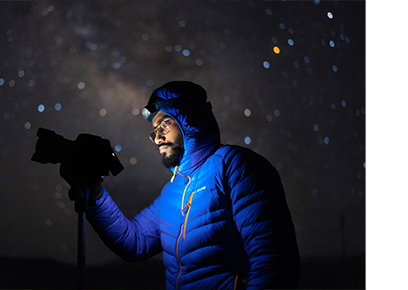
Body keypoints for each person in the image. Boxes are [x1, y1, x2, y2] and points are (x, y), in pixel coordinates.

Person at [64, 81, 300, 290]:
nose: (157, 138)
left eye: (165, 125)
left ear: (188, 120)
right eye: (154, 131)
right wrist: (96, 196)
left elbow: (273, 261)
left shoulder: (236, 166)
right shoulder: (171, 192)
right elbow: (134, 242)